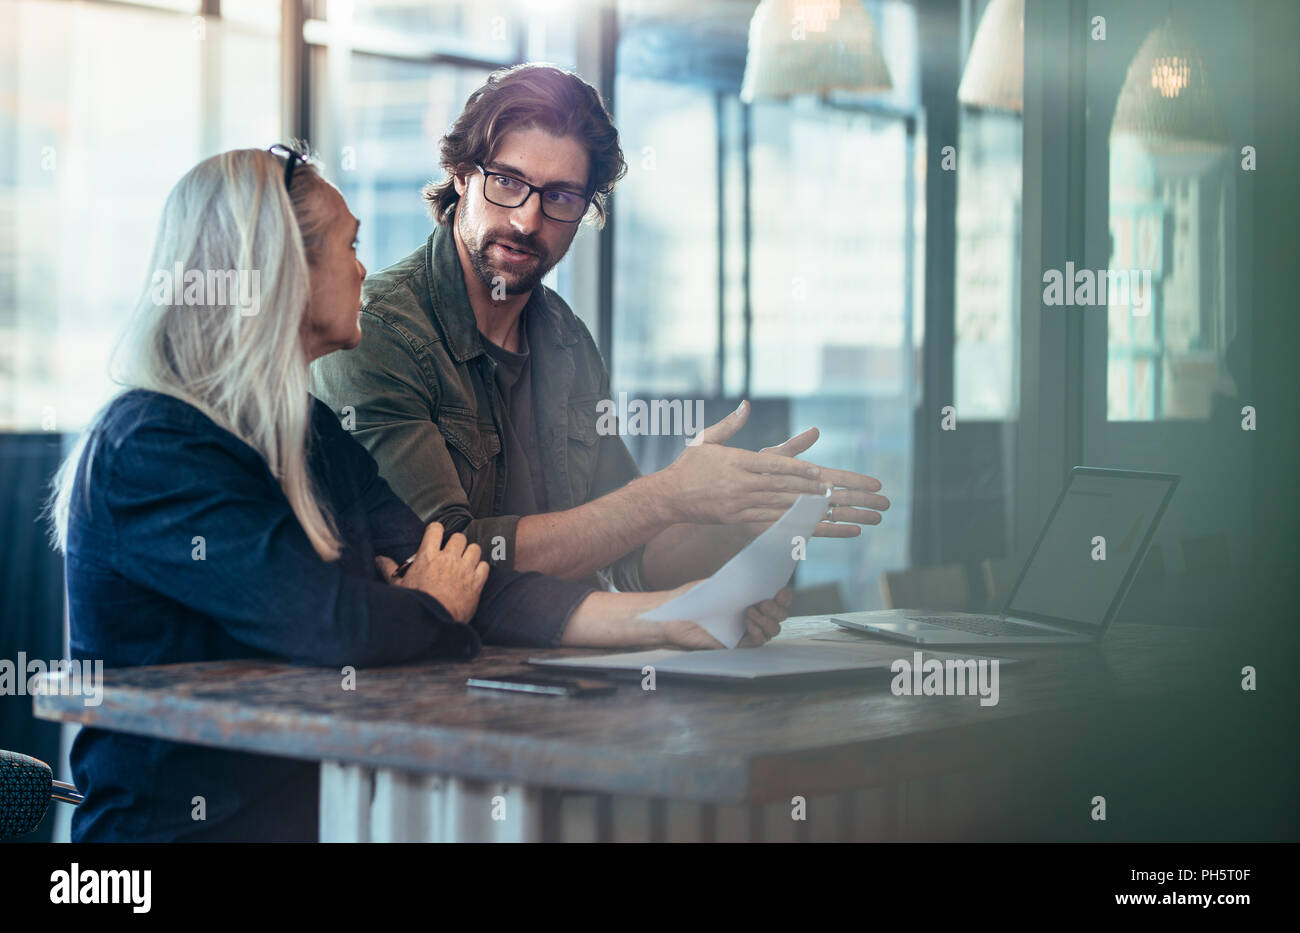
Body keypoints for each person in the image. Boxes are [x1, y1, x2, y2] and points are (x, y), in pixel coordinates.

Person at [47, 146, 789, 842]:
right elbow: (333, 625)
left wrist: (681, 615)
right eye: (348, 246)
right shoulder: (152, 447)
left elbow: (472, 576)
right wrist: (429, 601)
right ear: (281, 271)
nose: (365, 270)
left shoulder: (308, 430)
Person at [311, 63, 891, 596]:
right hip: (421, 682)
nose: (526, 219)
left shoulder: (566, 340)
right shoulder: (377, 331)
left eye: (560, 196)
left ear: (586, 211)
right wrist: (665, 496)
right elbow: (444, 558)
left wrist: (732, 509)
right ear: (462, 176)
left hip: (559, 675)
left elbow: (628, 553)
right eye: (507, 183)